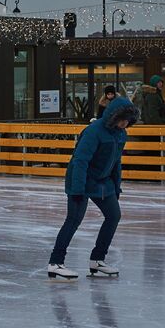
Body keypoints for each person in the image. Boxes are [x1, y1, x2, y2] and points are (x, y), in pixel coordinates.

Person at [47, 96, 139, 279]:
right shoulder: (94, 131)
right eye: (122, 119)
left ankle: (97, 260)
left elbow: (116, 162)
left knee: (114, 216)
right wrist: (77, 190)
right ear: (114, 116)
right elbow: (80, 161)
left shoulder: (121, 134)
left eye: (128, 120)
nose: (125, 123)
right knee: (73, 220)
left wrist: (116, 186)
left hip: (102, 182)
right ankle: (55, 263)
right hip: (80, 179)